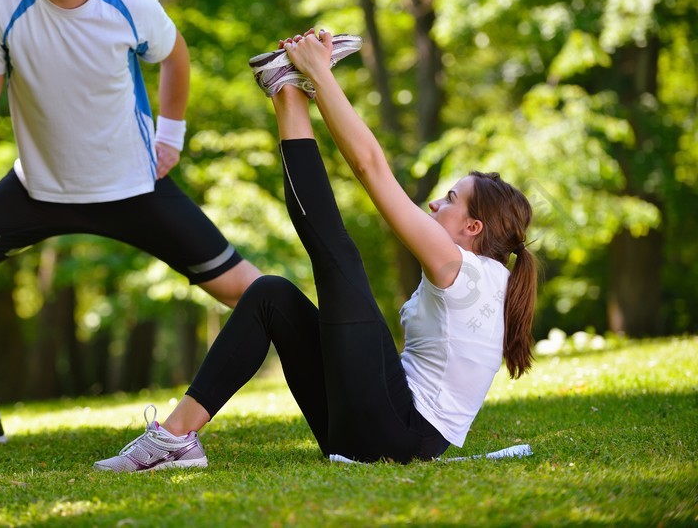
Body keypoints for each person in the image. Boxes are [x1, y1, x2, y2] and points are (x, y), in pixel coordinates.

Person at [94, 28, 536, 471]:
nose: (436, 203)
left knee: (338, 255)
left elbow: (371, 168)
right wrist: (301, 84)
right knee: (271, 296)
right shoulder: (478, 275)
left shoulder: (467, 271)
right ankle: (284, 89)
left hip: (401, 436)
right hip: (369, 428)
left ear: (473, 227)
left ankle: (297, 80)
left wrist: (322, 75)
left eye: (451, 200)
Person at [0, 0, 261, 446]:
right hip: (39, 189)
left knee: (254, 291)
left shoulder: (130, 4)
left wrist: (171, 137)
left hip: (134, 185)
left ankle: (346, 374)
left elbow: (175, 55)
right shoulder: (4, 1)